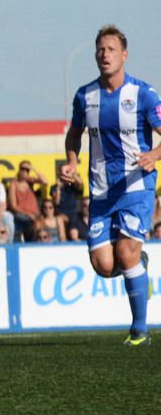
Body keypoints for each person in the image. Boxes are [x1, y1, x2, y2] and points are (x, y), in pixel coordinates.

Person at [60, 24, 161, 346]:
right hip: (101, 190)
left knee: (125, 251)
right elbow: (74, 134)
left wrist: (154, 155)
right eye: (101, 49)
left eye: (111, 49)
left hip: (136, 186)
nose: (105, 55)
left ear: (124, 55)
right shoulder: (84, 95)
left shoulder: (143, 94)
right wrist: (72, 162)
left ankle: (140, 331)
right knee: (103, 266)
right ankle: (138, 269)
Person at [7, 161, 45, 242]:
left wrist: (33, 169)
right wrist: (28, 214)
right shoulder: (14, 184)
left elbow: (45, 181)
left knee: (40, 224)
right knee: (33, 224)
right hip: (22, 214)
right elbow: (13, 206)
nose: (25, 172)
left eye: (27, 170)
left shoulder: (30, 181)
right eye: (23, 169)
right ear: (19, 170)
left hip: (35, 214)